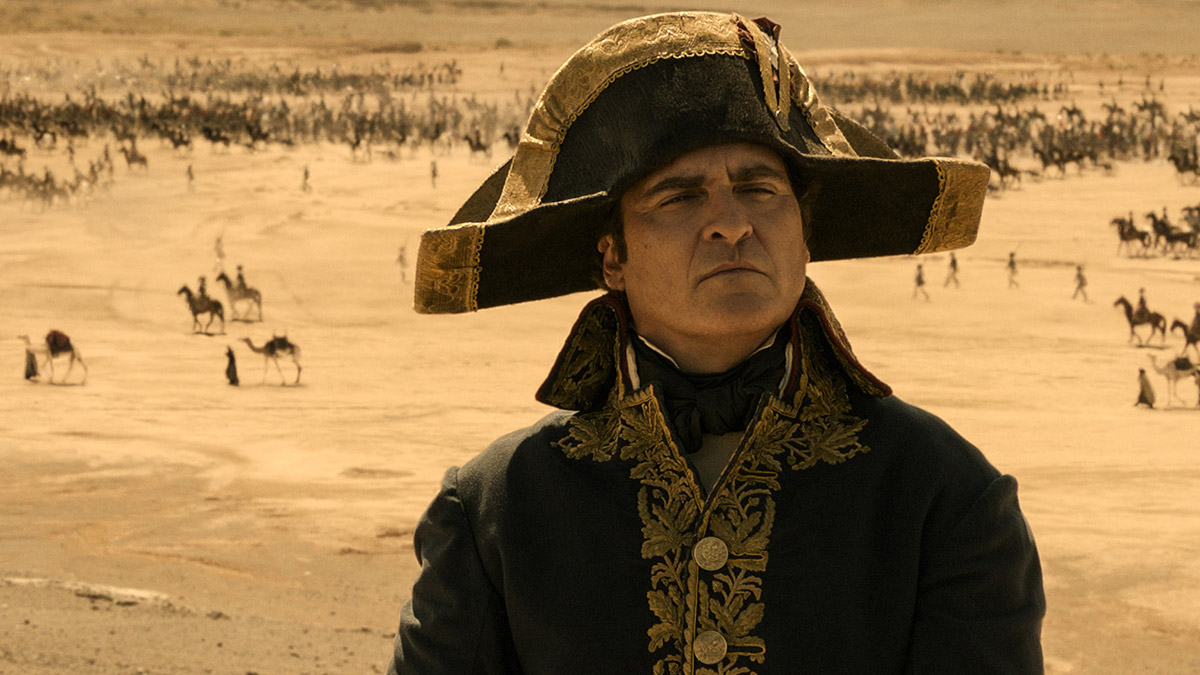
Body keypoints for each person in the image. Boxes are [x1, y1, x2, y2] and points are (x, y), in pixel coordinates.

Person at [389, 12, 1043, 674]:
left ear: (804, 235)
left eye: (759, 189)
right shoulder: (497, 507)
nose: (731, 224)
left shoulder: (942, 494)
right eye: (680, 198)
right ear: (612, 257)